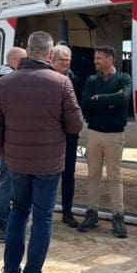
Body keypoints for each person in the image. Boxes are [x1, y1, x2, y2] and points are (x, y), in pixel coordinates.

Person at [0, 31, 83, 273]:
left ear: (28, 52)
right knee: (42, 218)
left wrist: (5, 152)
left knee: (18, 213)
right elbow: (75, 124)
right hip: (49, 165)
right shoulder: (61, 83)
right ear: (50, 55)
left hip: (16, 163)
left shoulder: (4, 84)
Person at [78, 45, 132, 237]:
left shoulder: (124, 78)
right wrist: (110, 102)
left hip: (115, 135)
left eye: (99, 58)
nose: (95, 62)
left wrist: (99, 98)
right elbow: (85, 103)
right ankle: (92, 214)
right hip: (93, 133)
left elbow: (124, 98)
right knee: (93, 175)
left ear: (110, 58)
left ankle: (118, 216)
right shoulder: (92, 80)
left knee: (114, 176)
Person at [0, 46, 27, 242]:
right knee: (7, 183)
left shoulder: (4, 78)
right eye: (24, 60)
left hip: (8, 140)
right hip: (7, 141)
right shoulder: (7, 81)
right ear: (15, 60)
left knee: (10, 182)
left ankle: (4, 219)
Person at [52, 44, 83, 228]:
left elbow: (77, 106)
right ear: (53, 60)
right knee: (47, 174)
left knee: (69, 175)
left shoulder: (74, 79)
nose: (65, 63)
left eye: (68, 60)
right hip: (51, 137)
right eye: (62, 60)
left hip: (69, 137)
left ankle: (67, 211)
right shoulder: (46, 79)